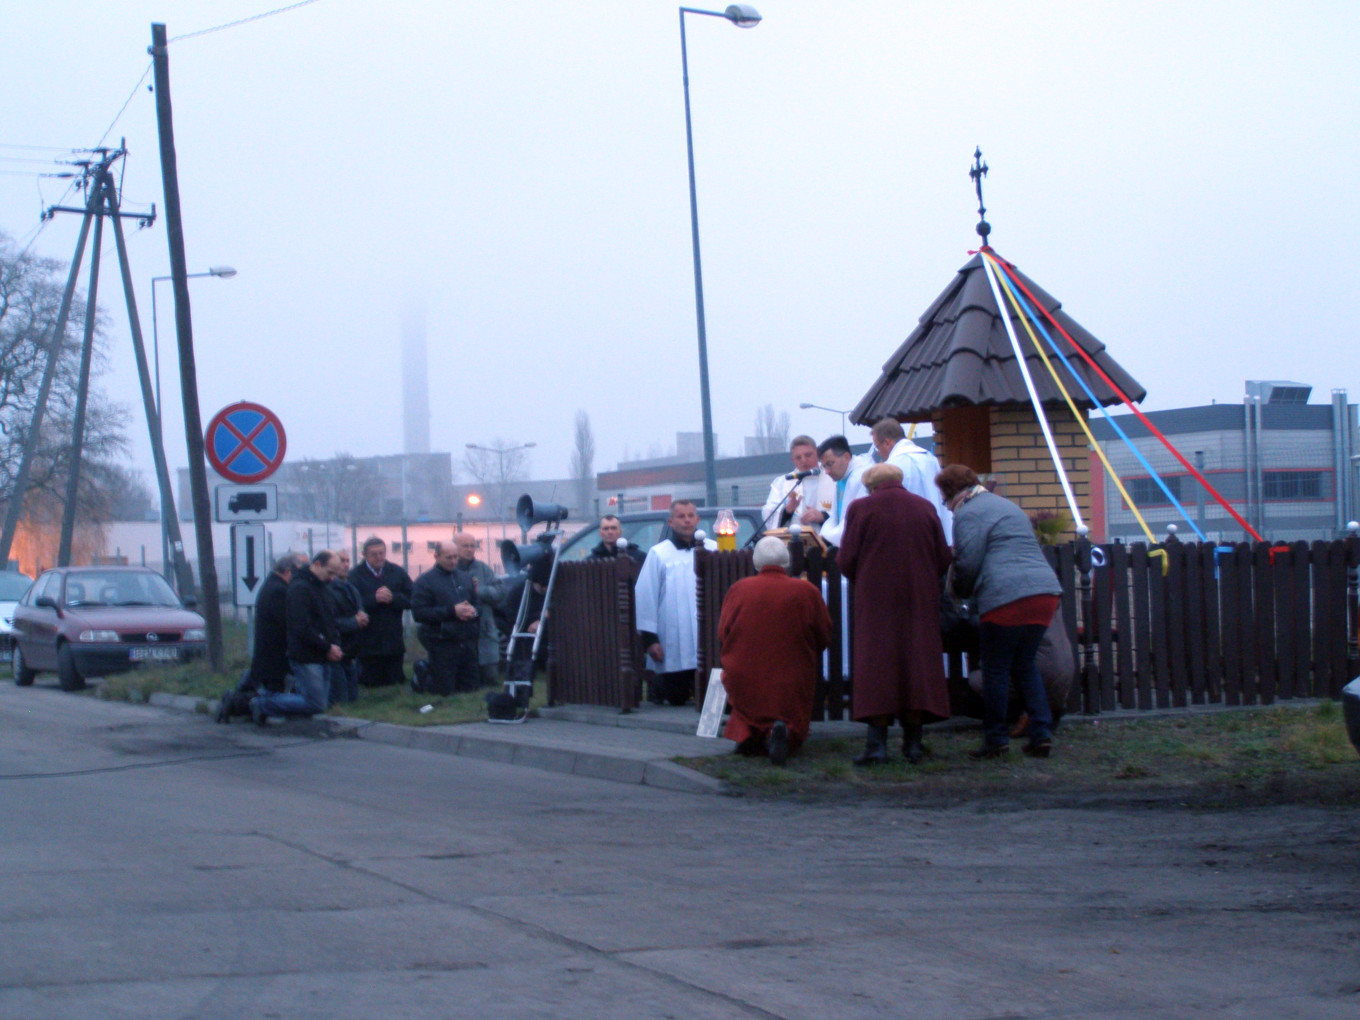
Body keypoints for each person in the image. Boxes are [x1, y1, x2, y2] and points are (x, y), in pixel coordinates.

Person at [939, 463, 1063, 759]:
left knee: (995, 669)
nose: (947, 506)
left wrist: (959, 593)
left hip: (1007, 597)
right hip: (1045, 593)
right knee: (1024, 664)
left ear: (952, 492)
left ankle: (996, 739)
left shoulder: (968, 512)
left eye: (945, 499)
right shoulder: (1007, 506)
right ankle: (1042, 733)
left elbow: (968, 561)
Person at [838, 463, 952, 765]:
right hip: (919, 600)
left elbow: (846, 559)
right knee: (917, 665)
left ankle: (877, 747)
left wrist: (866, 576)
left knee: (878, 668)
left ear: (871, 486)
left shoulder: (861, 509)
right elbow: (943, 557)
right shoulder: (925, 507)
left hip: (876, 602)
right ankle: (914, 745)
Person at [718, 536, 831, 764]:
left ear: (756, 563)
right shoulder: (806, 591)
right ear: (787, 561)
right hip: (791, 677)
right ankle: (783, 732)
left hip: (745, 676)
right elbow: (824, 634)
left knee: (746, 700)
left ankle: (748, 736)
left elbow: (723, 634)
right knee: (790, 700)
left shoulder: (739, 589)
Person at [634, 499, 717, 706]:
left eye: (691, 516)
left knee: (709, 693)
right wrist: (650, 640)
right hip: (673, 639)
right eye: (681, 516)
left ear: (698, 519)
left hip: (707, 635)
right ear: (671, 522)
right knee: (676, 698)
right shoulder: (659, 553)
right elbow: (646, 596)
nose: (687, 520)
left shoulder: (713, 549)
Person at [251, 550, 343, 724]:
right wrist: (327, 646)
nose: (332, 578)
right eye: (330, 572)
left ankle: (274, 708)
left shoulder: (319, 587)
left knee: (318, 701)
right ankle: (263, 703)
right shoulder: (299, 588)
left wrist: (333, 644)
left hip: (320, 652)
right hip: (306, 654)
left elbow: (327, 619)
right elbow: (300, 626)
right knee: (315, 703)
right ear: (317, 565)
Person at [217, 551, 305, 723]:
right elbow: (285, 623)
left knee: (271, 694)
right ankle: (234, 702)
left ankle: (236, 702)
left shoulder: (272, 585)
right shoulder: (279, 590)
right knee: (271, 696)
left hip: (270, 654)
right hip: (274, 654)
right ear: (288, 571)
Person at [410, 541, 480, 696]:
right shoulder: (424, 581)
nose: (453, 561)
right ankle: (422, 675)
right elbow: (419, 613)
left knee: (471, 688)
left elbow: (477, 604)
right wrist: (452, 611)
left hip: (466, 640)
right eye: (448, 557)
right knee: (444, 691)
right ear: (436, 556)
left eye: (455, 557)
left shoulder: (466, 578)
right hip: (441, 641)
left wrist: (473, 612)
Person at [870, 418, 952, 543]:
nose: (878, 453)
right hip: (940, 534)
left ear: (887, 443)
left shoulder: (892, 467)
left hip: (911, 538)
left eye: (877, 447)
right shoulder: (930, 458)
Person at [348, 536, 413, 688]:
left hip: (393, 638)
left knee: (395, 684)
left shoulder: (397, 572)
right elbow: (349, 605)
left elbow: (412, 599)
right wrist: (374, 599)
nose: (379, 557)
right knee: (371, 684)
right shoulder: (355, 575)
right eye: (374, 554)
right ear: (364, 555)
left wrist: (393, 598)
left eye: (382, 553)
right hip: (367, 642)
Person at [453, 531, 505, 687]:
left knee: (490, 676)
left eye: (472, 546)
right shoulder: (448, 570)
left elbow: (500, 593)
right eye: (465, 546)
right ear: (454, 547)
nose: (469, 549)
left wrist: (479, 591)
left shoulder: (483, 569)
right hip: (458, 628)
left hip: (484, 629)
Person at [325, 550, 368, 705]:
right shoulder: (327, 589)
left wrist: (363, 618)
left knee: (352, 698)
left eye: (347, 560)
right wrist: (354, 622)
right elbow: (330, 622)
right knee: (340, 699)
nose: (345, 565)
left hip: (351, 650)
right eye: (341, 561)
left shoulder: (351, 588)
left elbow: (360, 611)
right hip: (336, 649)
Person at [760, 435, 827, 530]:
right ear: (793, 459)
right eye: (798, 458)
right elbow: (769, 513)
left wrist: (823, 516)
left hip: (824, 537)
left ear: (817, 453)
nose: (804, 460)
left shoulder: (832, 477)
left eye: (808, 455)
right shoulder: (783, 482)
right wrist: (787, 511)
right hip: (793, 537)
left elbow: (844, 514)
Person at [815, 434, 870, 547]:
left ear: (846, 457)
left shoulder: (860, 478)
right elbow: (834, 518)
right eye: (824, 466)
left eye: (830, 464)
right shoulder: (842, 478)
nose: (827, 471)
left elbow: (851, 524)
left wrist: (825, 538)